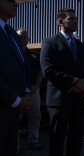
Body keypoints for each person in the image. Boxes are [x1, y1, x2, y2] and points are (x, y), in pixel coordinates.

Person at [40, 8, 84, 156]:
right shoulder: (50, 43)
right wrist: (74, 81)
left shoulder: (82, 47)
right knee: (57, 139)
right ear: (60, 22)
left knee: (76, 139)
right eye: (71, 19)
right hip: (59, 100)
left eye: (76, 19)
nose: (75, 21)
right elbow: (48, 70)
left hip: (78, 99)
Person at [0, 0, 32, 155]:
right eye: (10, 1)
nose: (16, 4)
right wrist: (16, 100)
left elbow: (22, 63)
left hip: (13, 109)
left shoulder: (10, 31)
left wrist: (25, 91)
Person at [16, 28, 44, 150]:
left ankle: (33, 140)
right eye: (20, 37)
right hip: (17, 92)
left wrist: (36, 85)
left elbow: (40, 71)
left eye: (25, 37)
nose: (23, 39)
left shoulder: (34, 56)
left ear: (28, 40)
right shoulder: (12, 54)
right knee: (15, 118)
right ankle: (14, 145)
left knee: (35, 116)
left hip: (33, 90)